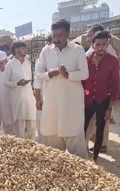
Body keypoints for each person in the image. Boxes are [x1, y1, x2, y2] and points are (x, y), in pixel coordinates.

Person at [35, 19, 89, 158]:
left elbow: (85, 74)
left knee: (75, 141)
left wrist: (68, 74)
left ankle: (82, 176)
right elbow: (39, 73)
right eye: (54, 35)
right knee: (54, 148)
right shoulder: (46, 51)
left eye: (60, 35)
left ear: (67, 34)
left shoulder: (77, 50)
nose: (56, 39)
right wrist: (50, 74)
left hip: (71, 104)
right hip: (52, 104)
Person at [82, 31, 120, 162]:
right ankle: (81, 156)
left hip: (103, 100)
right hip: (86, 100)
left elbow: (115, 85)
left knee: (100, 129)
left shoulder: (113, 61)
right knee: (83, 127)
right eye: (97, 44)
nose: (101, 48)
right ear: (93, 45)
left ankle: (95, 157)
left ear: (107, 44)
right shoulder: (85, 60)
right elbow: (81, 81)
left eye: (104, 44)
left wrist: (110, 108)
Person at [4, 41, 36, 140]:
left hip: (28, 97)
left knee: (31, 123)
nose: (25, 50)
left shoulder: (27, 63)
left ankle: (32, 146)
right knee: (19, 127)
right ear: (16, 50)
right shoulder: (10, 64)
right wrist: (17, 84)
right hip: (17, 99)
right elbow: (5, 82)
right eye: (23, 48)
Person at [33, 35, 53, 144]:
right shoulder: (40, 61)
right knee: (42, 124)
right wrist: (38, 100)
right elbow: (37, 82)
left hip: (55, 97)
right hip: (43, 96)